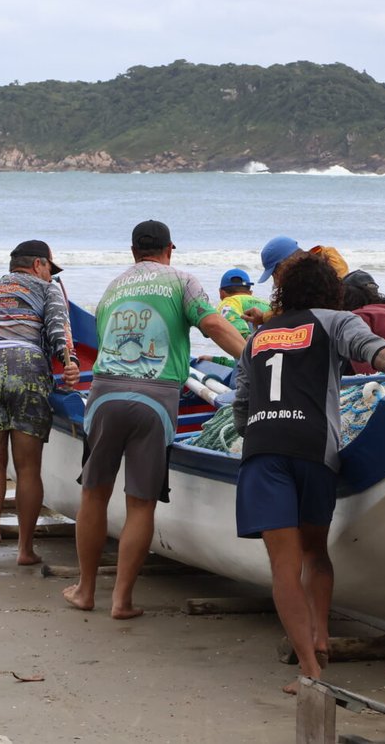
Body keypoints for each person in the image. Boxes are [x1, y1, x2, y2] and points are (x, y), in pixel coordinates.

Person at [232, 252, 385, 689]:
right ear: (332, 292)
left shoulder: (259, 335)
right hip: (314, 449)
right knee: (315, 551)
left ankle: (308, 669)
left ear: (284, 292)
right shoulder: (335, 321)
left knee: (284, 565)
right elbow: (370, 346)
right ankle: (321, 638)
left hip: (265, 449)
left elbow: (242, 401)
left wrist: (253, 433)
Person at [63, 220, 245, 619]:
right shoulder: (182, 281)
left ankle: (85, 590)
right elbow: (213, 325)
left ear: (133, 252)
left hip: (105, 394)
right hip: (156, 400)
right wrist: (256, 355)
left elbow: (102, 339)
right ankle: (122, 601)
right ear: (170, 249)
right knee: (140, 504)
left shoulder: (112, 288)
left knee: (94, 493)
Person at [0, 240, 80, 564]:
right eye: (49, 269)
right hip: (26, 362)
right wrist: (68, 363)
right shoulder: (49, 288)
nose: (50, 276)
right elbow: (59, 328)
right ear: (38, 265)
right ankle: (25, 549)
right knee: (28, 466)